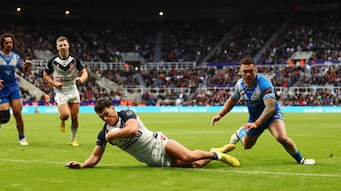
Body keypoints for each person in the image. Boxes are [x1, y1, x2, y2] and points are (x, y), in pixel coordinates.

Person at [66, 98, 240, 169]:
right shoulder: (103, 133)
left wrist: (114, 135)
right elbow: (96, 156)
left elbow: (133, 129)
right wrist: (82, 165)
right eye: (101, 117)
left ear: (113, 108)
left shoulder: (126, 114)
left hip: (158, 142)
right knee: (196, 164)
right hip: (153, 160)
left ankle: (219, 156)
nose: (105, 118)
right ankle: (216, 151)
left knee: (187, 156)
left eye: (107, 113)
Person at [210, 56, 315, 165]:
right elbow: (231, 101)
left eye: (251, 71)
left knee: (281, 137)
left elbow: (270, 108)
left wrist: (257, 123)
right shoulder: (239, 85)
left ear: (255, 70)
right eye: (245, 72)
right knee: (247, 145)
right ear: (240, 72)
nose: (248, 74)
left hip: (272, 116)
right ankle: (241, 132)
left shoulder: (264, 84)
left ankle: (301, 159)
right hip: (254, 119)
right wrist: (220, 114)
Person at [0, 33, 32, 145]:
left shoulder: (16, 57)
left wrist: (27, 66)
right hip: (1, 88)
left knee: (17, 114)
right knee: (5, 118)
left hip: (13, 87)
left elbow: (23, 70)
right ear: (2, 44)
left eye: (11, 42)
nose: (9, 44)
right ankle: (0, 119)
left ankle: (22, 138)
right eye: (7, 43)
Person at [43, 36, 88, 147]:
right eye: (60, 45)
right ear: (57, 47)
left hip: (73, 89)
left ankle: (73, 139)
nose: (63, 47)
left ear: (68, 45)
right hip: (60, 91)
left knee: (75, 117)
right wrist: (54, 84)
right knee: (65, 115)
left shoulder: (74, 59)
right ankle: (62, 120)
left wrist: (81, 79)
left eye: (64, 45)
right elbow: (45, 75)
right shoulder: (53, 61)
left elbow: (84, 72)